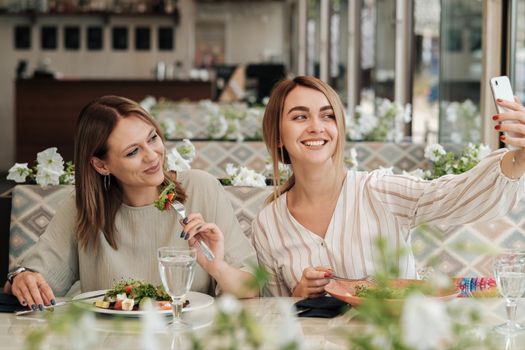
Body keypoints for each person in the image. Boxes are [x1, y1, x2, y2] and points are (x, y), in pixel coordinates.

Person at [252, 76, 525, 298]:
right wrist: (299, 295)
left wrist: (520, 156)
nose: (316, 127)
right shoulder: (268, 224)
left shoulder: (379, 191)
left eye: (328, 116)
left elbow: (455, 196)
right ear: (277, 136)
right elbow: (276, 319)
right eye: (300, 117)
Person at [5, 95, 258, 311]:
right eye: (132, 152)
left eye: (152, 138)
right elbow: (36, 280)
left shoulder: (202, 189)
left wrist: (218, 268)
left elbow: (252, 287)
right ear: (101, 165)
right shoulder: (82, 206)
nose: (152, 156)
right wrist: (22, 278)